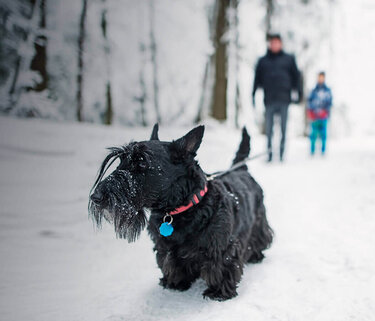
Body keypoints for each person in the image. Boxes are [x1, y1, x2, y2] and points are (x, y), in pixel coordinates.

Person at [252, 33, 301, 162]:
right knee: (269, 130)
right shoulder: (263, 61)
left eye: (277, 42)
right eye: (272, 42)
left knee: (283, 130)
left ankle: (281, 154)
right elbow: (257, 79)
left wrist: (299, 94)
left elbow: (296, 77)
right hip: (269, 100)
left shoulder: (289, 59)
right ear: (269, 44)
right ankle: (269, 154)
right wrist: (253, 94)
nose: (274, 45)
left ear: (281, 44)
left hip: (284, 99)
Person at [307, 71, 332, 156]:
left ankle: (323, 151)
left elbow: (329, 103)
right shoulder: (313, 91)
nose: (321, 79)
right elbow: (309, 102)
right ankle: (312, 151)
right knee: (313, 135)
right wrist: (311, 112)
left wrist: (325, 112)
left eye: (322, 77)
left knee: (323, 135)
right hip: (314, 117)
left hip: (323, 117)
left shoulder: (327, 91)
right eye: (319, 77)